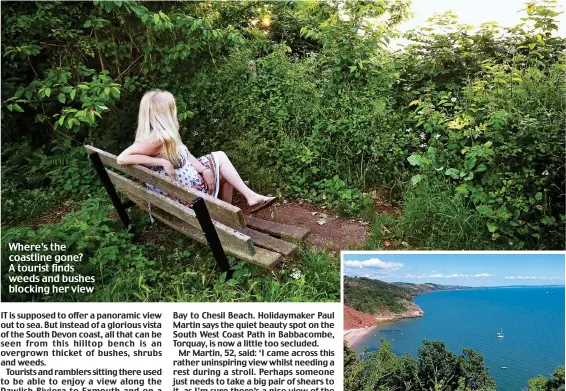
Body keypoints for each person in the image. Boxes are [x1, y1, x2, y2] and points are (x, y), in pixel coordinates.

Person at [117, 90, 276, 211]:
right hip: (188, 195)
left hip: (185, 187)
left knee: (223, 171)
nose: (176, 109)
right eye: (173, 107)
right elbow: (122, 158)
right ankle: (242, 202)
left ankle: (229, 211)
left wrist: (204, 169)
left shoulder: (162, 134)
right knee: (221, 160)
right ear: (164, 112)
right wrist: (161, 161)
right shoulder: (155, 139)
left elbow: (184, 153)